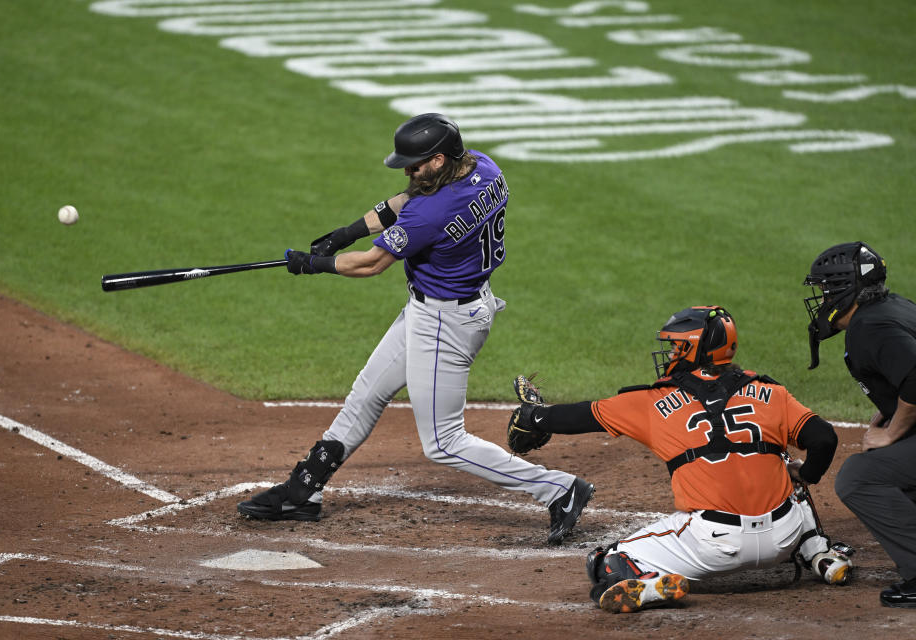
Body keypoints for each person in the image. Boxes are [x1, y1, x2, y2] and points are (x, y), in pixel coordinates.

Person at [237, 113, 593, 545]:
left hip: (447, 323)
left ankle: (559, 489)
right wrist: (346, 232)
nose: (407, 171)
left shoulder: (433, 212)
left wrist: (312, 263)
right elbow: (407, 199)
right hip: (438, 309)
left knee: (444, 443)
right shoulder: (483, 166)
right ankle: (301, 492)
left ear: (440, 160)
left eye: (415, 163)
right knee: (367, 394)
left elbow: (371, 264)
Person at [506, 305, 854, 612]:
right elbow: (824, 437)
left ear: (692, 349)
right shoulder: (773, 392)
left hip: (715, 544)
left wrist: (535, 417)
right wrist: (805, 473)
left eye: (675, 345)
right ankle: (819, 554)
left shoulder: (653, 402)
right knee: (786, 467)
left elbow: (586, 416)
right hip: (783, 537)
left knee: (607, 561)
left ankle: (650, 584)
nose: (670, 352)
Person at [803, 241, 916, 608]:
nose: (821, 299)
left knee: (860, 477)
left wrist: (893, 430)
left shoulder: (869, 327)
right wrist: (890, 410)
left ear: (844, 289)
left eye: (825, 290)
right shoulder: (892, 307)